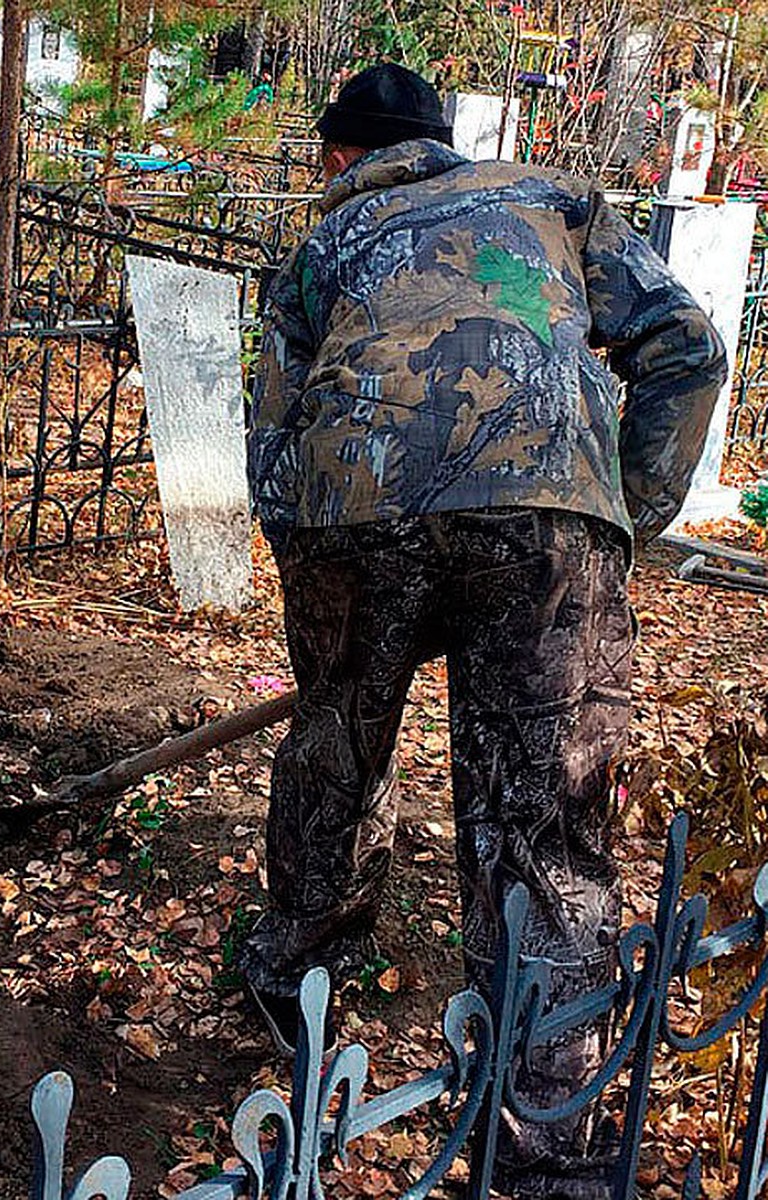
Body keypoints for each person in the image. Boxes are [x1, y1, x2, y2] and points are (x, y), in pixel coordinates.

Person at [240, 62, 725, 1198]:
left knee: (337, 751)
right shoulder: (553, 202)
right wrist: (618, 517)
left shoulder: (323, 248)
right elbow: (687, 350)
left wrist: (318, 576)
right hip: (545, 511)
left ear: (340, 155)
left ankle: (291, 994)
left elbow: (272, 436)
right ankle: (539, 1129)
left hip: (353, 504)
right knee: (542, 820)